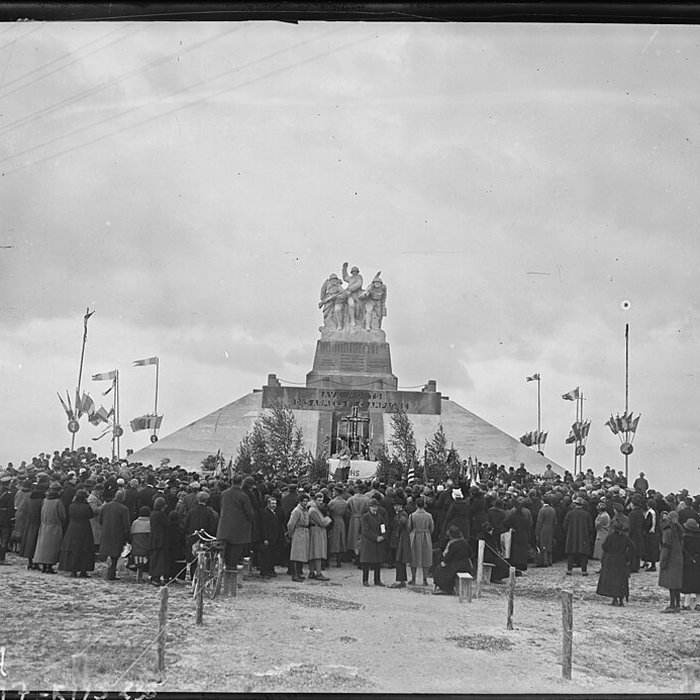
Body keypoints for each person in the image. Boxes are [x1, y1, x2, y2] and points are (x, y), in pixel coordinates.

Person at [216, 474, 254, 569]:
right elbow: (250, 513)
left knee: (225, 554)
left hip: (224, 528)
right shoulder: (243, 496)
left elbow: (220, 507)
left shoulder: (224, 494)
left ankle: (225, 572)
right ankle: (231, 576)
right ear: (241, 483)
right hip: (239, 530)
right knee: (235, 556)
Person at [596, 519, 635, 606]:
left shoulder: (610, 537)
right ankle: (621, 600)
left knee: (612, 579)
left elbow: (604, 547)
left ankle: (614, 599)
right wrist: (628, 558)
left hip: (611, 560)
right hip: (622, 560)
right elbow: (633, 547)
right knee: (621, 580)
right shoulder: (625, 538)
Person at [33, 482, 67, 574]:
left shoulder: (45, 500)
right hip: (55, 526)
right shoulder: (58, 502)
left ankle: (43, 565)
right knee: (52, 548)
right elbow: (62, 515)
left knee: (43, 547)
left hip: (44, 526)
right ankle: (49, 566)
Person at [98, 489, 131, 580]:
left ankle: (108, 573)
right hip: (117, 534)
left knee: (108, 553)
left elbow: (100, 520)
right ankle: (111, 574)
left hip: (106, 532)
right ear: (123, 498)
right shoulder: (124, 509)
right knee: (115, 555)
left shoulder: (105, 507)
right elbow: (126, 525)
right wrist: (127, 535)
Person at [432, 525, 473, 595]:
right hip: (466, 564)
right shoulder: (464, 542)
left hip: (456, 565)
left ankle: (445, 588)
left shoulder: (453, 544)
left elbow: (448, 557)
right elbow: (471, 553)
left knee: (439, 570)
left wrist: (443, 561)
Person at [659, 510, 684, 613]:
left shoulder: (668, 531)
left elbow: (666, 547)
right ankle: (677, 604)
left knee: (671, 584)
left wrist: (662, 560)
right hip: (678, 558)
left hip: (670, 559)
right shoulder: (680, 530)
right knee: (676, 584)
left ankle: (672, 605)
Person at [563, 497, 594, 576]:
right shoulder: (586, 514)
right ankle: (584, 570)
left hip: (571, 535)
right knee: (584, 553)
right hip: (583, 536)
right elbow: (590, 527)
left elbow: (565, 525)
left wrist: (568, 532)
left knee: (571, 553)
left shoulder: (570, 513)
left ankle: (569, 569)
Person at [359, 498, 386, 587]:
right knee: (366, 562)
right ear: (369, 507)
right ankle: (365, 580)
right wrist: (376, 537)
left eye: (376, 506)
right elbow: (365, 530)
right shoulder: (365, 517)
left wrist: (383, 535)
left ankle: (377, 580)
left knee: (377, 561)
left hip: (377, 541)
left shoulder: (380, 516)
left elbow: (383, 527)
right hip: (368, 541)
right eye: (372, 507)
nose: (374, 508)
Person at [408, 497, 434, 586]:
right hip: (426, 536)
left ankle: (413, 578)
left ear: (416, 505)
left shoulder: (412, 515)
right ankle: (425, 579)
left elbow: (409, 527)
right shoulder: (429, 516)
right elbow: (432, 528)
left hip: (415, 535)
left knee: (413, 557)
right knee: (426, 557)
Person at [259, 495, 285, 579]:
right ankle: (264, 572)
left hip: (274, 538)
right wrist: (265, 538)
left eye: (275, 503)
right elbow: (263, 527)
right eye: (272, 503)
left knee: (272, 556)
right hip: (268, 538)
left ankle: (270, 570)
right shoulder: (265, 513)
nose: (274, 505)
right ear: (268, 504)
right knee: (266, 556)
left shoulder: (275, 513)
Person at [307, 493, 332, 581]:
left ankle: (312, 572)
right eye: (319, 500)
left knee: (313, 552)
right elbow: (323, 523)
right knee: (317, 552)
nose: (321, 502)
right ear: (315, 500)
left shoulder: (314, 509)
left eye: (322, 500)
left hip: (316, 531)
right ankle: (318, 573)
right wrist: (328, 518)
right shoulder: (314, 510)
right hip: (317, 532)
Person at [287, 493, 311, 582]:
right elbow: (290, 524)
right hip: (298, 532)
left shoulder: (305, 510)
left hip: (304, 532)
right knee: (296, 554)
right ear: (300, 502)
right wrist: (290, 534)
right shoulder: (297, 511)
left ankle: (298, 573)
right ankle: (295, 574)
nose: (305, 503)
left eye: (306, 501)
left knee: (301, 554)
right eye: (303, 501)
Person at [389, 497, 411, 588]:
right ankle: (402, 579)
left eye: (397, 505)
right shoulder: (401, 513)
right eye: (395, 505)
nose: (395, 507)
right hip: (400, 538)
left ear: (401, 506)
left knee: (398, 560)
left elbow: (403, 521)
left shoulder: (402, 514)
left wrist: (397, 531)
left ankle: (399, 580)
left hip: (400, 539)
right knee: (400, 560)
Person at [149, 497, 170, 586]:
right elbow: (166, 524)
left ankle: (154, 576)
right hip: (160, 538)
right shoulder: (160, 514)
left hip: (154, 537)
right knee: (159, 559)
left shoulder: (152, 513)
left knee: (155, 558)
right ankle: (156, 577)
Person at [681, 518, 700, 610]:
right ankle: (698, 603)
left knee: (687, 582)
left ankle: (686, 604)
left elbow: (682, 550)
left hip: (688, 561)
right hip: (698, 560)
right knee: (698, 582)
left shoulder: (685, 538)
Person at [328, 485, 348, 567]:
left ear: (336, 492)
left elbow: (328, 510)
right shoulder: (344, 502)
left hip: (334, 521)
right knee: (341, 539)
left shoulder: (332, 502)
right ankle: (339, 561)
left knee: (333, 539)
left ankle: (330, 558)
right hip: (341, 521)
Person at [339, 262, 364, 330]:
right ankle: (352, 320)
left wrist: (350, 289)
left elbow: (359, 284)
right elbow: (345, 277)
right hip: (350, 295)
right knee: (351, 305)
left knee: (358, 308)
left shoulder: (359, 277)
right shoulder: (351, 278)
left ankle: (358, 321)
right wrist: (344, 269)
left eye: (355, 272)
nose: (354, 273)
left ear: (357, 272)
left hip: (357, 295)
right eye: (353, 272)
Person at [130, 506, 151, 583]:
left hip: (136, 548)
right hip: (146, 549)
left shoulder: (135, 523)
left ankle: (139, 576)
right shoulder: (149, 523)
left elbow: (131, 535)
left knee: (139, 559)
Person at [535, 496, 557, 567]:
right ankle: (550, 560)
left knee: (543, 545)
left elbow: (539, 522)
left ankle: (545, 561)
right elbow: (555, 521)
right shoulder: (552, 509)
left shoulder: (542, 510)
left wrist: (537, 532)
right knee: (549, 545)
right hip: (551, 528)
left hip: (543, 529)